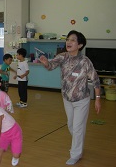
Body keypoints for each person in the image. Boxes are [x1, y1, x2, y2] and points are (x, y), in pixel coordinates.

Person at [39, 30, 101, 165]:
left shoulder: (85, 61)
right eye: (68, 39)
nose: (69, 42)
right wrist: (45, 62)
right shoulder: (62, 57)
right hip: (66, 98)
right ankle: (78, 144)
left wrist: (97, 99)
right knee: (71, 126)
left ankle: (76, 154)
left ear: (80, 45)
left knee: (78, 128)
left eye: (73, 40)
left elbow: (95, 79)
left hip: (82, 100)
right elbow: (50, 66)